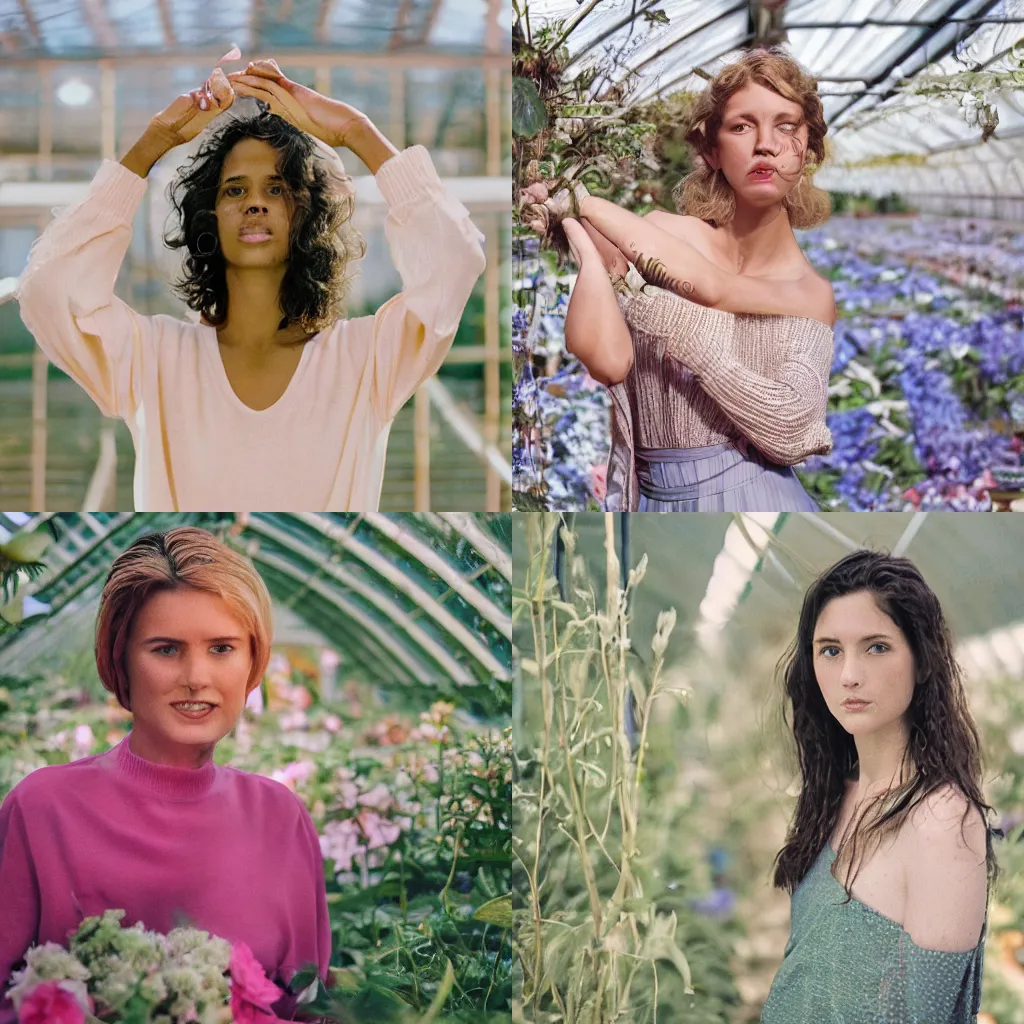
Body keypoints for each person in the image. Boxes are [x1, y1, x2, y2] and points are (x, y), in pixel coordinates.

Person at [16, 57, 486, 511]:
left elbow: (454, 262)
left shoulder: (368, 358)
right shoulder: (152, 355)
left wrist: (356, 131)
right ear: (210, 217)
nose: (255, 203)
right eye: (235, 190)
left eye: (277, 189)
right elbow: (48, 291)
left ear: (306, 214)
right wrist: (151, 144)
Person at [0, 527, 329, 1022]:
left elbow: (303, 1004)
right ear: (120, 661)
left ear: (252, 663)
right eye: (166, 649)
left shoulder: (281, 817)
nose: (197, 676)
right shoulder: (42, 808)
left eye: (222, 648)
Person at [523, 47, 836, 511]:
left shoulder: (810, 294)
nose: (766, 144)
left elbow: (790, 429)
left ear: (808, 149)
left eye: (786, 126)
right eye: (742, 126)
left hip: (754, 500)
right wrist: (581, 243)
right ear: (712, 150)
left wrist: (581, 202)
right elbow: (606, 362)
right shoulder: (660, 237)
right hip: (651, 500)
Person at [762, 550, 997, 1023]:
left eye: (876, 647)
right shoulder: (836, 793)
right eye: (830, 650)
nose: (849, 675)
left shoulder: (940, 822)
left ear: (922, 658)